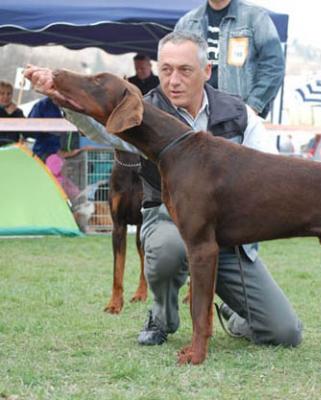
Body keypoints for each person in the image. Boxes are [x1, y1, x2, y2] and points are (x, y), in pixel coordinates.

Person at [25, 32, 302, 348]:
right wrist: (62, 97)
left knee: (284, 334)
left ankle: (232, 312)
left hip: (224, 234)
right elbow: (101, 131)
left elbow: (270, 170)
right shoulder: (143, 110)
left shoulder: (239, 114)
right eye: (166, 70)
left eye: (185, 70)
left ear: (206, 71)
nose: (174, 81)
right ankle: (162, 317)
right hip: (167, 221)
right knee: (169, 248)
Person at [174, 0, 285, 119]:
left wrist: (252, 107)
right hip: (193, 116)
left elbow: (274, 66)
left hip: (236, 118)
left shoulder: (255, 17)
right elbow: (174, 66)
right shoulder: (187, 23)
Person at [0, 80, 25, 146]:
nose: (6, 96)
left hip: (11, 147)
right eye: (2, 93)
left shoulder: (18, 112)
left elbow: (25, 131)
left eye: (9, 94)